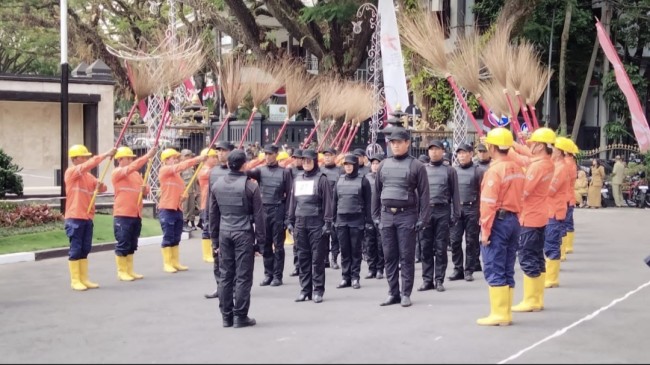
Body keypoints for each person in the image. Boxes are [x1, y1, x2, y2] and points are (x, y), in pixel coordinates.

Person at [372, 128, 430, 307]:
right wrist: (375, 217)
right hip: (387, 215)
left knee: (406, 256)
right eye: (392, 143)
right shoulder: (383, 165)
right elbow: (377, 191)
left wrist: (423, 218)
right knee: (389, 256)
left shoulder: (416, 166)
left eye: (399, 142)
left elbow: (424, 194)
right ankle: (393, 292)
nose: (395, 145)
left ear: (407, 143)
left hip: (407, 215)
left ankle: (406, 293)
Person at [209, 149, 265, 328]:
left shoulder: (217, 184)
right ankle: (240, 316)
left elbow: (213, 215)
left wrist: (214, 241)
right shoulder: (250, 186)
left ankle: (226, 316)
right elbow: (259, 217)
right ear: (245, 165)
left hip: (225, 232)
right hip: (243, 233)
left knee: (226, 275)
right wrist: (260, 244)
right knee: (242, 276)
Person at [476, 127, 524, 326]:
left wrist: (485, 231)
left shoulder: (495, 171)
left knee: (494, 266)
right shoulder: (517, 168)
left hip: (498, 222)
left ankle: (499, 314)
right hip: (514, 220)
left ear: (492, 147)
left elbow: (488, 203)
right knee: (507, 267)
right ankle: (506, 313)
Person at [506, 128, 556, 313]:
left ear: (541, 145)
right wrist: (512, 146)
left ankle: (531, 300)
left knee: (528, 257)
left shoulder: (538, 166)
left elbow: (524, 190)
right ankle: (537, 298)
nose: (530, 145)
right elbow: (526, 158)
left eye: (533, 142)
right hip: (539, 215)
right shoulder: (546, 162)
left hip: (530, 217)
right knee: (536, 257)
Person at [64, 144, 116, 291]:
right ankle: (75, 280)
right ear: (75, 159)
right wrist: (105, 155)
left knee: (85, 248)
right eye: (84, 156)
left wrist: (100, 186)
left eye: (87, 157)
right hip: (75, 217)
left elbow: (103, 189)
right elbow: (89, 164)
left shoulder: (88, 176)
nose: (87, 159)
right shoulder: (72, 172)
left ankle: (84, 278)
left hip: (87, 217)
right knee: (76, 248)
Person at [286, 149, 334, 303]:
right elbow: (293, 201)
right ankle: (305, 289)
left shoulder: (322, 179)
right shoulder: (298, 178)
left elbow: (328, 202)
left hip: (316, 222)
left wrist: (327, 222)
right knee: (303, 257)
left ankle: (318, 290)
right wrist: (290, 220)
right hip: (300, 222)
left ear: (314, 161)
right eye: (303, 161)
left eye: (308, 160)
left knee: (317, 258)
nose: (306, 163)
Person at [246, 144, 293, 287]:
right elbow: (245, 172)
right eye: (265, 154)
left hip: (278, 208)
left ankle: (278, 276)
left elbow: (290, 195)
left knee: (278, 245)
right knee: (265, 244)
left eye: (270, 154)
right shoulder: (260, 171)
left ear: (276, 154)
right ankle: (268, 274)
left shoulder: (285, 172)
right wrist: (257, 161)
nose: (267, 156)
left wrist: (288, 217)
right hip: (263, 210)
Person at [418, 140, 460, 293]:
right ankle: (427, 280)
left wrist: (456, 214)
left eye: (437, 149)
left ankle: (439, 280)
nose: (433, 152)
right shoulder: (423, 169)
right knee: (425, 247)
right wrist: (418, 214)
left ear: (443, 151)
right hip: (426, 211)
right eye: (431, 149)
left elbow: (455, 194)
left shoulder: (450, 171)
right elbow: (419, 193)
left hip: (442, 211)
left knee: (441, 247)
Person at [111, 145, 157, 281]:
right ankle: (122, 271)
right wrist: (147, 156)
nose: (131, 160)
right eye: (128, 158)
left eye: (132, 158)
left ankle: (130, 270)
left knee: (132, 243)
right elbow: (131, 168)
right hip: (123, 213)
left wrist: (145, 189)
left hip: (136, 213)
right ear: (120, 159)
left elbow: (145, 191)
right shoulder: (117, 173)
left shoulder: (136, 175)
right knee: (123, 242)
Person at [158, 148, 206, 273]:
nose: (176, 160)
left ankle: (175, 262)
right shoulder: (165, 170)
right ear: (165, 160)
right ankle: (167, 263)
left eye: (176, 158)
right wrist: (197, 159)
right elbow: (180, 166)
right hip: (167, 208)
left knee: (176, 237)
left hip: (177, 208)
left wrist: (183, 196)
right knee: (168, 236)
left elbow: (180, 191)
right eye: (173, 158)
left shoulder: (177, 177)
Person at [333, 154, 373, 290]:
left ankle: (355, 277)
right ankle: (345, 277)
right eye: (346, 165)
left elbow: (368, 202)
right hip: (341, 220)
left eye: (350, 164)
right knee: (344, 251)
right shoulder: (339, 179)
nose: (348, 167)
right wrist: (333, 219)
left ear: (355, 165)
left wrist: (368, 221)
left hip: (357, 220)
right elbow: (335, 201)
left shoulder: (363, 181)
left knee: (355, 251)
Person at [449, 143, 484, 283]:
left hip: (472, 209)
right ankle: (458, 269)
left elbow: (484, 192)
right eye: (459, 153)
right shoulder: (453, 171)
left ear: (471, 154)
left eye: (464, 153)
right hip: (457, 209)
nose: (461, 156)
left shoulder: (478, 171)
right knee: (455, 241)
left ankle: (469, 270)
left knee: (471, 241)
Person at [204, 141, 234, 299]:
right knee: (217, 254)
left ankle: (234, 287)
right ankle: (220, 286)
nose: (220, 153)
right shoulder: (213, 171)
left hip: (233, 217)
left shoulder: (236, 171)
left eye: (223, 150)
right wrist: (207, 218)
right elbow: (210, 196)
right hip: (217, 218)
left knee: (231, 256)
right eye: (218, 151)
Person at [364, 153, 385, 280]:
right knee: (369, 244)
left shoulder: (384, 178)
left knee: (380, 244)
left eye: (377, 163)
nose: (375, 166)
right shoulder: (366, 178)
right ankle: (371, 268)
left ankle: (380, 269)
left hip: (382, 214)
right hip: (369, 215)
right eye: (373, 163)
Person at [320, 147, 342, 269]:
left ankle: (334, 258)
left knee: (334, 235)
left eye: (329, 155)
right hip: (322, 207)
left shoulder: (340, 171)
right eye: (325, 155)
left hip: (336, 207)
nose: (327, 157)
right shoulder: (320, 170)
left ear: (335, 156)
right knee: (323, 235)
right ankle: (325, 259)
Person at [197, 147, 219, 263]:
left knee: (214, 228)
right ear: (206, 158)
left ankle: (213, 251)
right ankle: (206, 254)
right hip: (206, 204)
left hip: (214, 203)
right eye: (213, 157)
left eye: (216, 157)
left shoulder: (213, 170)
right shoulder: (204, 171)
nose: (216, 159)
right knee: (207, 228)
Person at [288, 148, 304, 277]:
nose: (296, 160)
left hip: (305, 208)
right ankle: (297, 265)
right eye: (295, 158)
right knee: (296, 242)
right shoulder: (289, 171)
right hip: (293, 206)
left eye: (298, 158)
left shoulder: (307, 172)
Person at [180, 149, 199, 232]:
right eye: (187, 156)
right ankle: (184, 224)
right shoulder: (180, 167)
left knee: (191, 208)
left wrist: (195, 190)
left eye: (190, 156)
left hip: (191, 191)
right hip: (184, 191)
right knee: (185, 208)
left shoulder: (191, 167)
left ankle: (191, 223)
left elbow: (194, 180)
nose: (189, 157)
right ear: (183, 157)